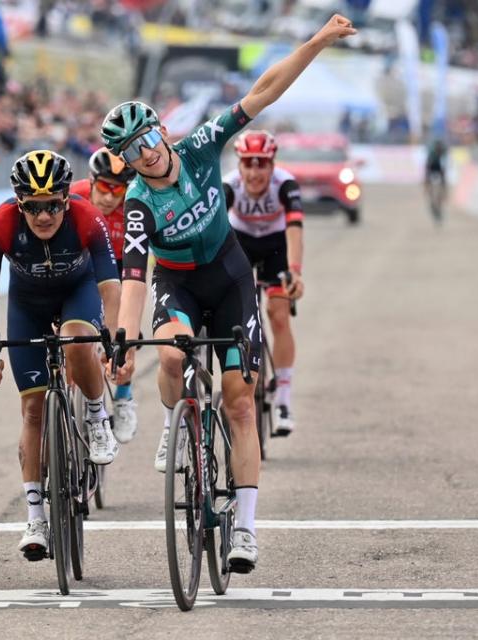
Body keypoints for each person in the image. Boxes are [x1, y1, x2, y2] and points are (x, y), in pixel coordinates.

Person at [104, 14, 356, 574]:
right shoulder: (140, 201)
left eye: (146, 137)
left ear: (160, 132)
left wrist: (315, 42)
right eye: (130, 149)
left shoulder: (198, 147)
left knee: (241, 402)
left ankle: (244, 526)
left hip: (231, 278)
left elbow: (261, 93)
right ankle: (176, 420)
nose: (143, 152)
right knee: (171, 353)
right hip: (180, 286)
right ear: (125, 160)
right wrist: (121, 338)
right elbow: (133, 276)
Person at [0, 149, 121, 560]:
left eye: (52, 205)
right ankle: (35, 517)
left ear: (65, 199)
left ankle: (95, 415)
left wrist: (110, 334)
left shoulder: (87, 216)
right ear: (19, 203)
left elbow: (111, 285)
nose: (43, 216)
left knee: (76, 339)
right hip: (27, 305)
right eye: (33, 207)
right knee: (33, 412)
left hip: (79, 292)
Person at [223, 130, 305, 436]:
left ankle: (283, 397)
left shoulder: (285, 185)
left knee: (278, 314)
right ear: (239, 165)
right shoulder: (229, 185)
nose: (255, 172)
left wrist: (295, 271)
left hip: (275, 246)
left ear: (272, 165)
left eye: (262, 164)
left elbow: (295, 229)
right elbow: (215, 230)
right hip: (241, 241)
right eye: (248, 164)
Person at [69, 148, 139, 443]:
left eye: (118, 190)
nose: (110, 197)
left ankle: (123, 397)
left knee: (123, 324)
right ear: (91, 181)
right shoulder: (74, 198)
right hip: (81, 264)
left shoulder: (134, 207)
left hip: (120, 268)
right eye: (105, 188)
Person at [424, 138, 448, 223]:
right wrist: (426, 181)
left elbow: (444, 169)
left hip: (439, 173)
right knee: (432, 194)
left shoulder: (443, 153)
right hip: (432, 172)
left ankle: (437, 206)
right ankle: (433, 206)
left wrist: (444, 184)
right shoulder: (432, 154)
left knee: (439, 194)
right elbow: (427, 168)